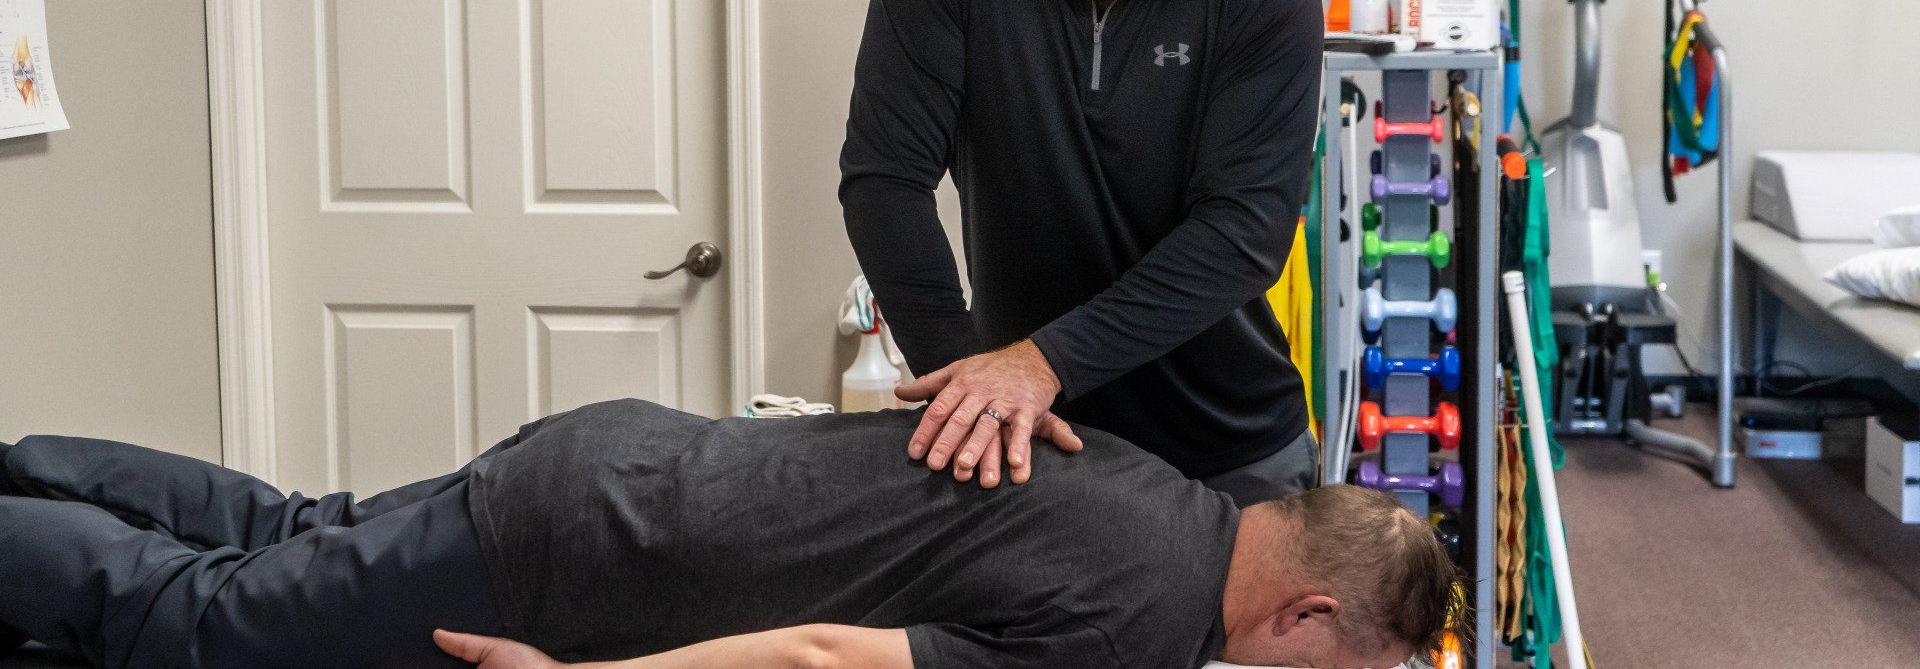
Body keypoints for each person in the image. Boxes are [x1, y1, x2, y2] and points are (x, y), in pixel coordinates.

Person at [0, 398, 1461, 669]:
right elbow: (823, 659)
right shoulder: (1140, 633)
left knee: (285, 529)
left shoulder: (1153, 484)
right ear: (1309, 615)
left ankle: (24, 468)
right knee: (197, 628)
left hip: (612, 456)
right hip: (587, 552)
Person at [841, 0, 1324, 505]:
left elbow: (1244, 231)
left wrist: (1044, 363)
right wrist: (966, 386)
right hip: (1017, 436)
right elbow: (885, 180)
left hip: (1225, 443)